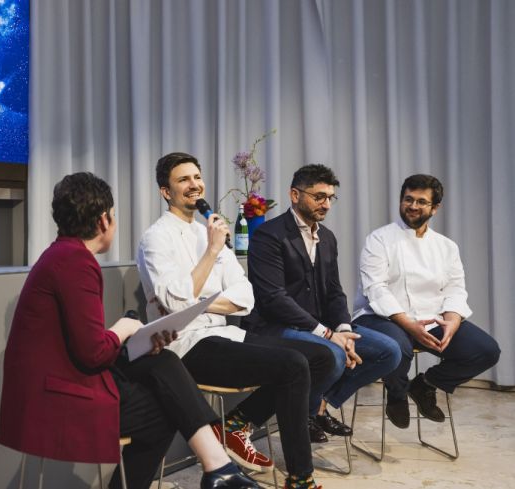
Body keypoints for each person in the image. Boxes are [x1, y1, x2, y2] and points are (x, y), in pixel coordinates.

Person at [0, 172, 258, 489]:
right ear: (104, 220)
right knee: (163, 407)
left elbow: (83, 342)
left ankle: (218, 466)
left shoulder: (63, 256)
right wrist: (124, 328)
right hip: (55, 398)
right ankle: (218, 467)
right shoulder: (76, 263)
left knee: (162, 363)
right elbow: (93, 352)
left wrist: (137, 338)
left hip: (59, 384)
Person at [137, 153, 330, 489]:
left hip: (225, 334)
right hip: (187, 346)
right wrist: (212, 252)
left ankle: (239, 423)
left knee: (322, 358)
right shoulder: (157, 238)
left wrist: (199, 301)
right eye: (183, 180)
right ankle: (300, 478)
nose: (194, 185)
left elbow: (245, 297)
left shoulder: (209, 230)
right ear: (165, 192)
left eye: (197, 177)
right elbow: (175, 304)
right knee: (293, 364)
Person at [243, 164, 401, 443]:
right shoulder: (268, 235)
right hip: (273, 327)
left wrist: (343, 329)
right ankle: (304, 412)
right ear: (295, 195)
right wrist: (328, 335)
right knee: (334, 355)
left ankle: (316, 407)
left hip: (319, 329)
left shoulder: (327, 238)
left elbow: (334, 292)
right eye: (318, 197)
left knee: (389, 351)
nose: (326, 204)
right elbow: (273, 298)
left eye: (330, 198)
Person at [353, 174, 500, 428]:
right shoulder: (379, 239)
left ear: (435, 208)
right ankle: (397, 394)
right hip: (382, 316)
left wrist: (452, 321)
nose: (412, 206)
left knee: (485, 351)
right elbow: (376, 289)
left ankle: (425, 385)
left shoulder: (446, 246)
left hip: (431, 316)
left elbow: (455, 288)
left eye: (421, 202)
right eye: (408, 199)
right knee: (398, 347)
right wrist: (410, 326)